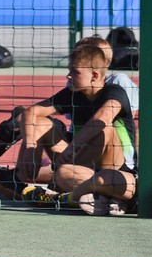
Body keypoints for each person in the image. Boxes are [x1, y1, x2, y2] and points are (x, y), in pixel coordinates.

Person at [62, 33, 152, 215]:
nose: (138, 60)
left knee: (103, 178)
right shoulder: (147, 95)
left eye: (143, 54)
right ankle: (113, 199)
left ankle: (66, 199)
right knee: (65, 173)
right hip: (142, 175)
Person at [15, 44, 136, 200]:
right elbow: (30, 112)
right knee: (41, 123)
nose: (68, 76)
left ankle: (60, 188)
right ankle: (20, 182)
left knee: (105, 129)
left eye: (75, 71)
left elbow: (101, 119)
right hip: (81, 164)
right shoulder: (73, 94)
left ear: (94, 75)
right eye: (69, 70)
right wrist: (30, 148)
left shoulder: (115, 92)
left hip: (117, 170)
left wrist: (71, 148)